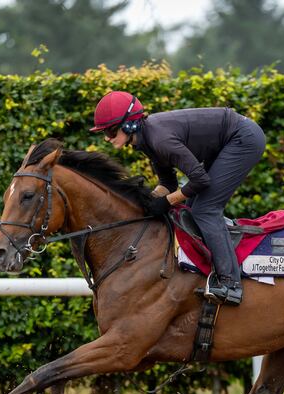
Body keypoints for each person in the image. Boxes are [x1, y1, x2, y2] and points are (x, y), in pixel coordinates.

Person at [90, 90, 266, 306]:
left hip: (243, 139)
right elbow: (168, 184)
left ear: (130, 125)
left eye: (110, 130)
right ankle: (208, 270)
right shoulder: (145, 141)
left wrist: (165, 202)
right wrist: (145, 202)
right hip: (228, 139)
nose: (106, 138)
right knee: (191, 210)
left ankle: (231, 284)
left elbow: (200, 181)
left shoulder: (159, 139)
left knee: (205, 210)